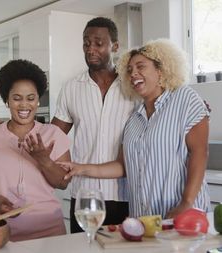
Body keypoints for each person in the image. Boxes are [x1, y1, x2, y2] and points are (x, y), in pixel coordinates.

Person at [63, 39, 210, 219]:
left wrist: (186, 203)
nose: (133, 74)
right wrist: (80, 168)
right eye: (130, 70)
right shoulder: (133, 119)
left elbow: (199, 152)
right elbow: (122, 167)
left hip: (183, 216)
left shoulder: (184, 98)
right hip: (144, 219)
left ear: (160, 70)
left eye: (141, 67)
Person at [0, 59, 71, 241]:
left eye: (31, 98)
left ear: (38, 100)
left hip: (48, 234)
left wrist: (43, 159)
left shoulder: (53, 134)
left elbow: (63, 182)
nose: (24, 105)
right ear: (7, 100)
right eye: (16, 98)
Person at [51, 17, 137, 233]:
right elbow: (53, 137)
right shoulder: (71, 89)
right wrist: (15, 131)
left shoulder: (135, 87)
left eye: (98, 43)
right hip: (84, 196)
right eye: (86, 43)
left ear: (114, 46)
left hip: (126, 194)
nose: (90, 49)